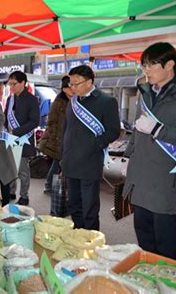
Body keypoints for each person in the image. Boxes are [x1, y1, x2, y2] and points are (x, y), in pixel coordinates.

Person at [123, 42, 176, 259]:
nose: (146, 71)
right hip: (140, 175)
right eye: (144, 66)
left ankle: (165, 283)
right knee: (143, 234)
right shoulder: (145, 92)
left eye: (151, 65)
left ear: (170, 64)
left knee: (163, 239)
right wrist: (128, 156)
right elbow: (137, 129)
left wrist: (159, 130)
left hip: (166, 179)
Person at [61, 65, 120, 231]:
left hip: (90, 162)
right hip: (70, 162)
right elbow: (66, 131)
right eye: (71, 84)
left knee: (90, 208)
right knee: (74, 205)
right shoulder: (72, 103)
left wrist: (93, 144)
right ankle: (78, 235)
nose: (72, 88)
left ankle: (92, 239)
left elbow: (114, 131)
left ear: (89, 82)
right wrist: (62, 157)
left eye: (76, 83)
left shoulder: (106, 101)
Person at [4, 71, 40, 206]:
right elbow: (5, 117)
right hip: (10, 139)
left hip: (24, 138)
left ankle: (24, 195)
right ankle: (11, 191)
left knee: (23, 170)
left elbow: (34, 121)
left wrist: (16, 131)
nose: (11, 87)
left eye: (13, 84)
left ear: (23, 83)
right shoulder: (10, 99)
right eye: (10, 84)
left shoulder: (32, 99)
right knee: (11, 168)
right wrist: (5, 129)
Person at [39, 76, 74, 194]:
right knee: (57, 164)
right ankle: (49, 186)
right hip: (58, 139)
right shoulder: (59, 102)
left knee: (58, 164)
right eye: (70, 87)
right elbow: (51, 122)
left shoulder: (73, 100)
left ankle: (52, 186)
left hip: (66, 138)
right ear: (64, 89)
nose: (72, 89)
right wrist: (56, 137)